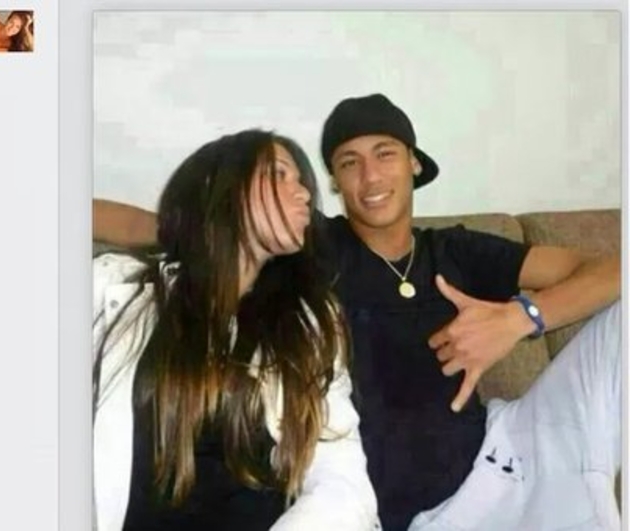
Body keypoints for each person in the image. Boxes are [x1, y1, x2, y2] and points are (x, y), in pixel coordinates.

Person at [93, 96, 621, 530]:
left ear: (414, 163)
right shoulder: (307, 247)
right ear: (334, 183)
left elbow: (610, 269)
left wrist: (520, 318)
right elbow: (188, 227)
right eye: (349, 162)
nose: (370, 176)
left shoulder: (460, 250)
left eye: (385, 153)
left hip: (506, 452)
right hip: (420, 514)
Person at [93, 129, 378, 531]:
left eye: (302, 183)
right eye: (279, 174)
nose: (304, 194)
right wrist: (176, 228)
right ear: (220, 187)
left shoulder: (310, 323)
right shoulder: (117, 288)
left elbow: (341, 479)